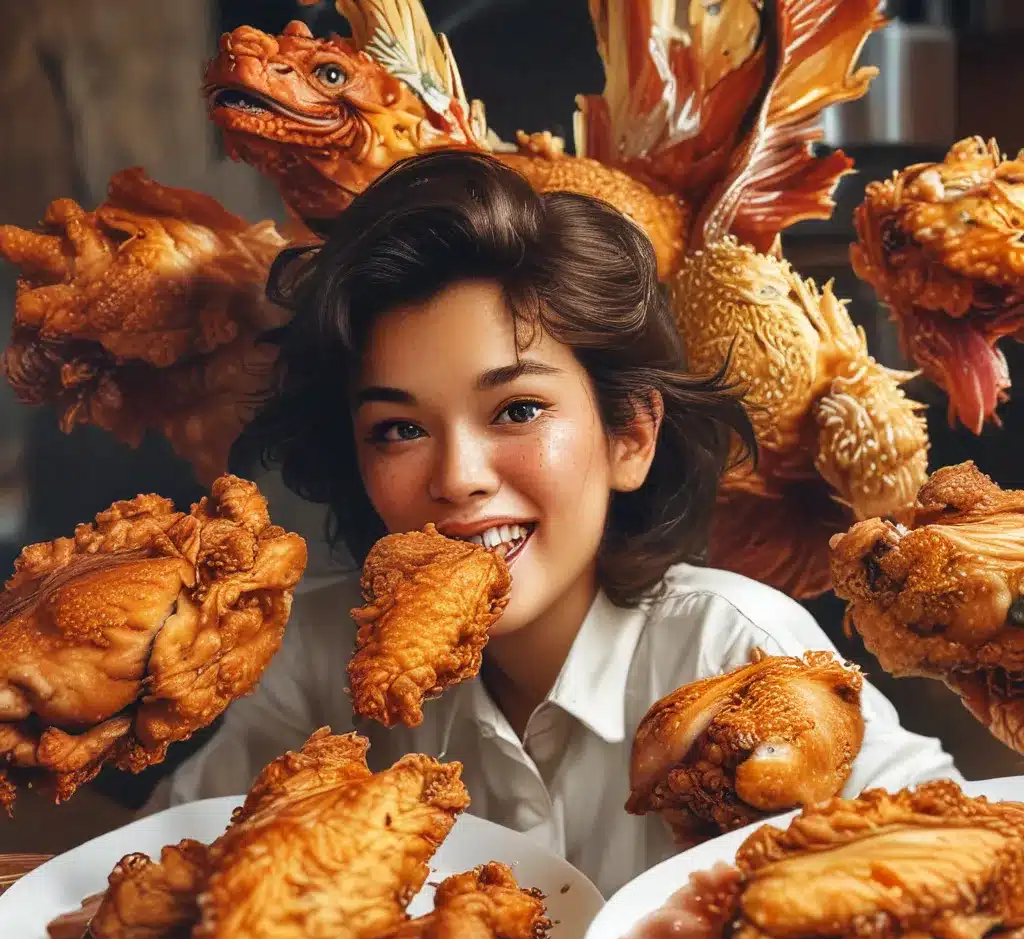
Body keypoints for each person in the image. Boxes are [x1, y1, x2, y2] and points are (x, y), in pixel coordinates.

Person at [144, 151, 959, 898]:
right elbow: (161, 888)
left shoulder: (732, 650)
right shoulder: (317, 659)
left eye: (518, 409)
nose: (458, 477)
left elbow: (952, 859)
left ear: (629, 436)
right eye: (399, 428)